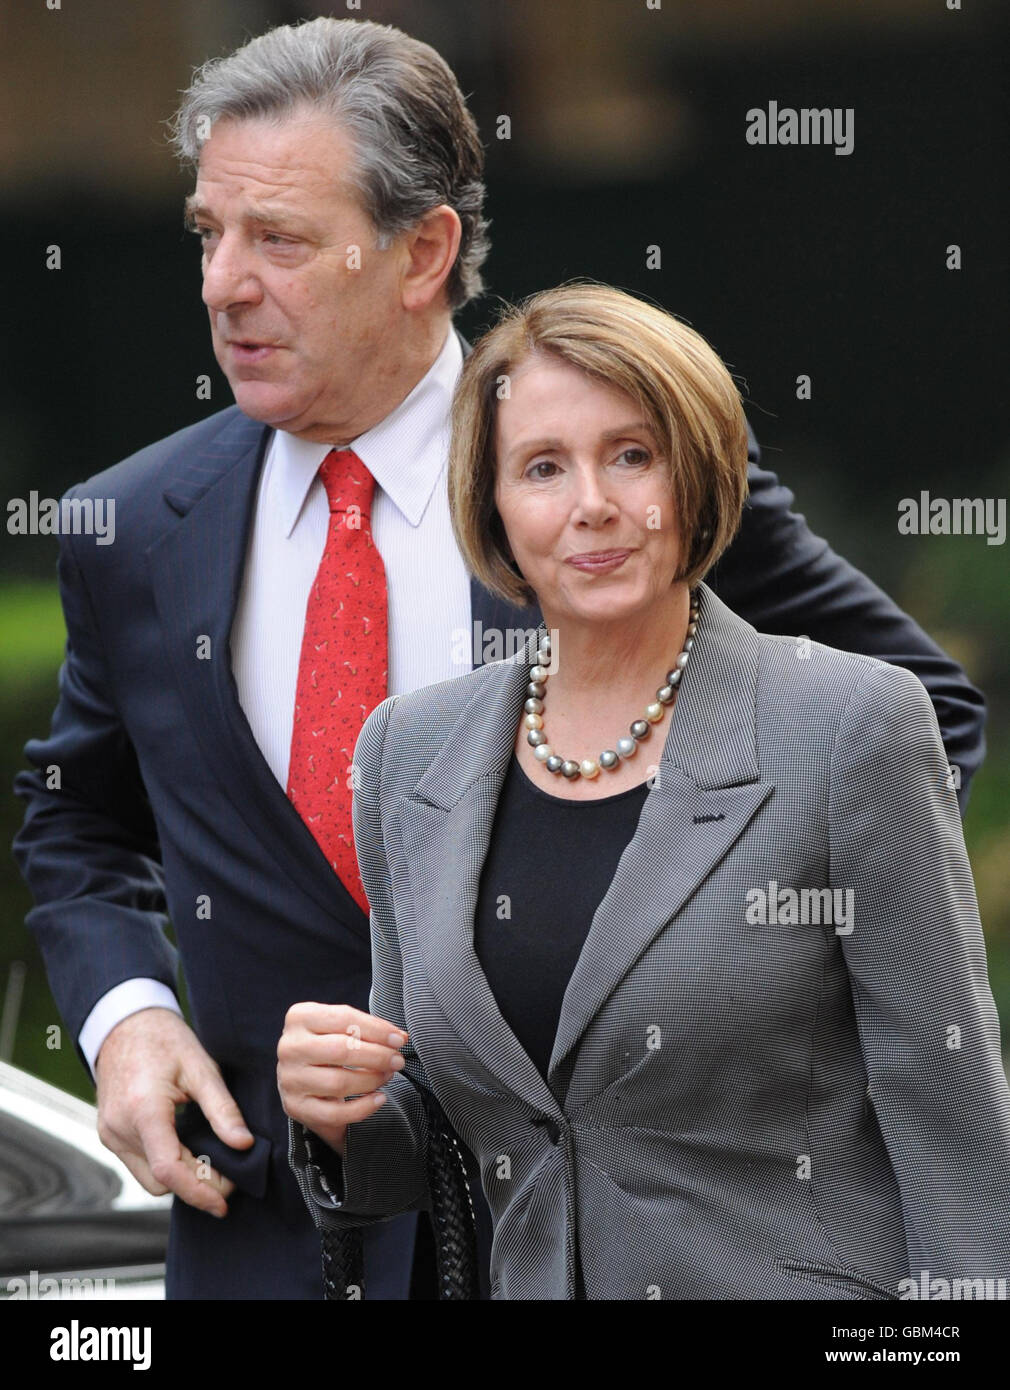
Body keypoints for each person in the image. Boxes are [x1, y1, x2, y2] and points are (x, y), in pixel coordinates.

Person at [13, 18, 984, 1302]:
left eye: (281, 240)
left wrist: (716, 988)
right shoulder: (130, 531)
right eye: (208, 233)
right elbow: (77, 824)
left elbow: (908, 723)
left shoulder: (619, 476)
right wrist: (125, 1014)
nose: (222, 285)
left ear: (424, 251)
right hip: (273, 1236)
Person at [281, 284, 1010, 1300]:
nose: (591, 502)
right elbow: (436, 1137)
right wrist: (336, 1112)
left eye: (631, 453)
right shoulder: (409, 752)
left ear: (698, 472)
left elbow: (954, 1134)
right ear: (491, 504)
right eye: (541, 467)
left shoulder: (850, 725)